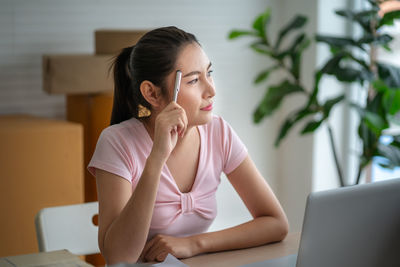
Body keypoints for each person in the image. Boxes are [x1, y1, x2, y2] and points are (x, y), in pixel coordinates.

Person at [88, 26, 289, 265]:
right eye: (194, 80)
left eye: (209, 73)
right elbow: (119, 257)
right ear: (151, 94)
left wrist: (193, 243)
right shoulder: (117, 142)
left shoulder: (219, 132)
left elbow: (276, 223)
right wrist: (156, 158)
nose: (211, 90)